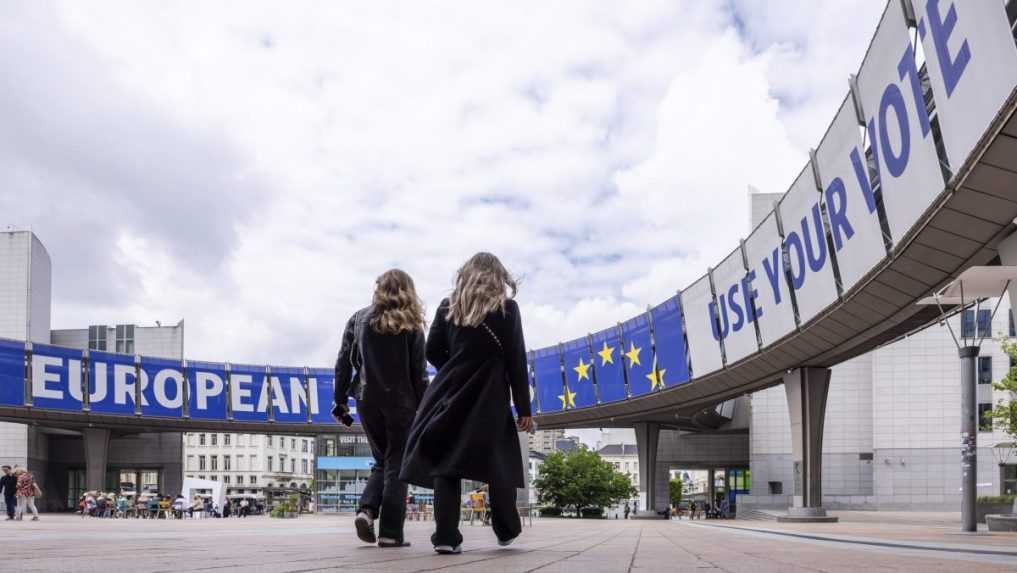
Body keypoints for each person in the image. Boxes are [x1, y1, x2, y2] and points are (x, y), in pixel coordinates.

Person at [400, 253, 533, 555]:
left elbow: (432, 350)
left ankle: (446, 536)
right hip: (490, 396)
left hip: (449, 393)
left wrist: (458, 365)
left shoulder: (448, 307)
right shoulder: (507, 309)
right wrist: (523, 408)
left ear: (466, 274)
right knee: (498, 460)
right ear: (499, 276)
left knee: (446, 465)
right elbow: (516, 359)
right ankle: (506, 529)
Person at [334, 269, 428, 548]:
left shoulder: (358, 318)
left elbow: (343, 362)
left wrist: (340, 400)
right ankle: (390, 533)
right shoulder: (412, 325)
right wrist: (424, 409)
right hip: (402, 403)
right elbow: (419, 373)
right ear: (408, 291)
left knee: (382, 460)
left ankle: (366, 510)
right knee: (397, 464)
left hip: (366, 399)